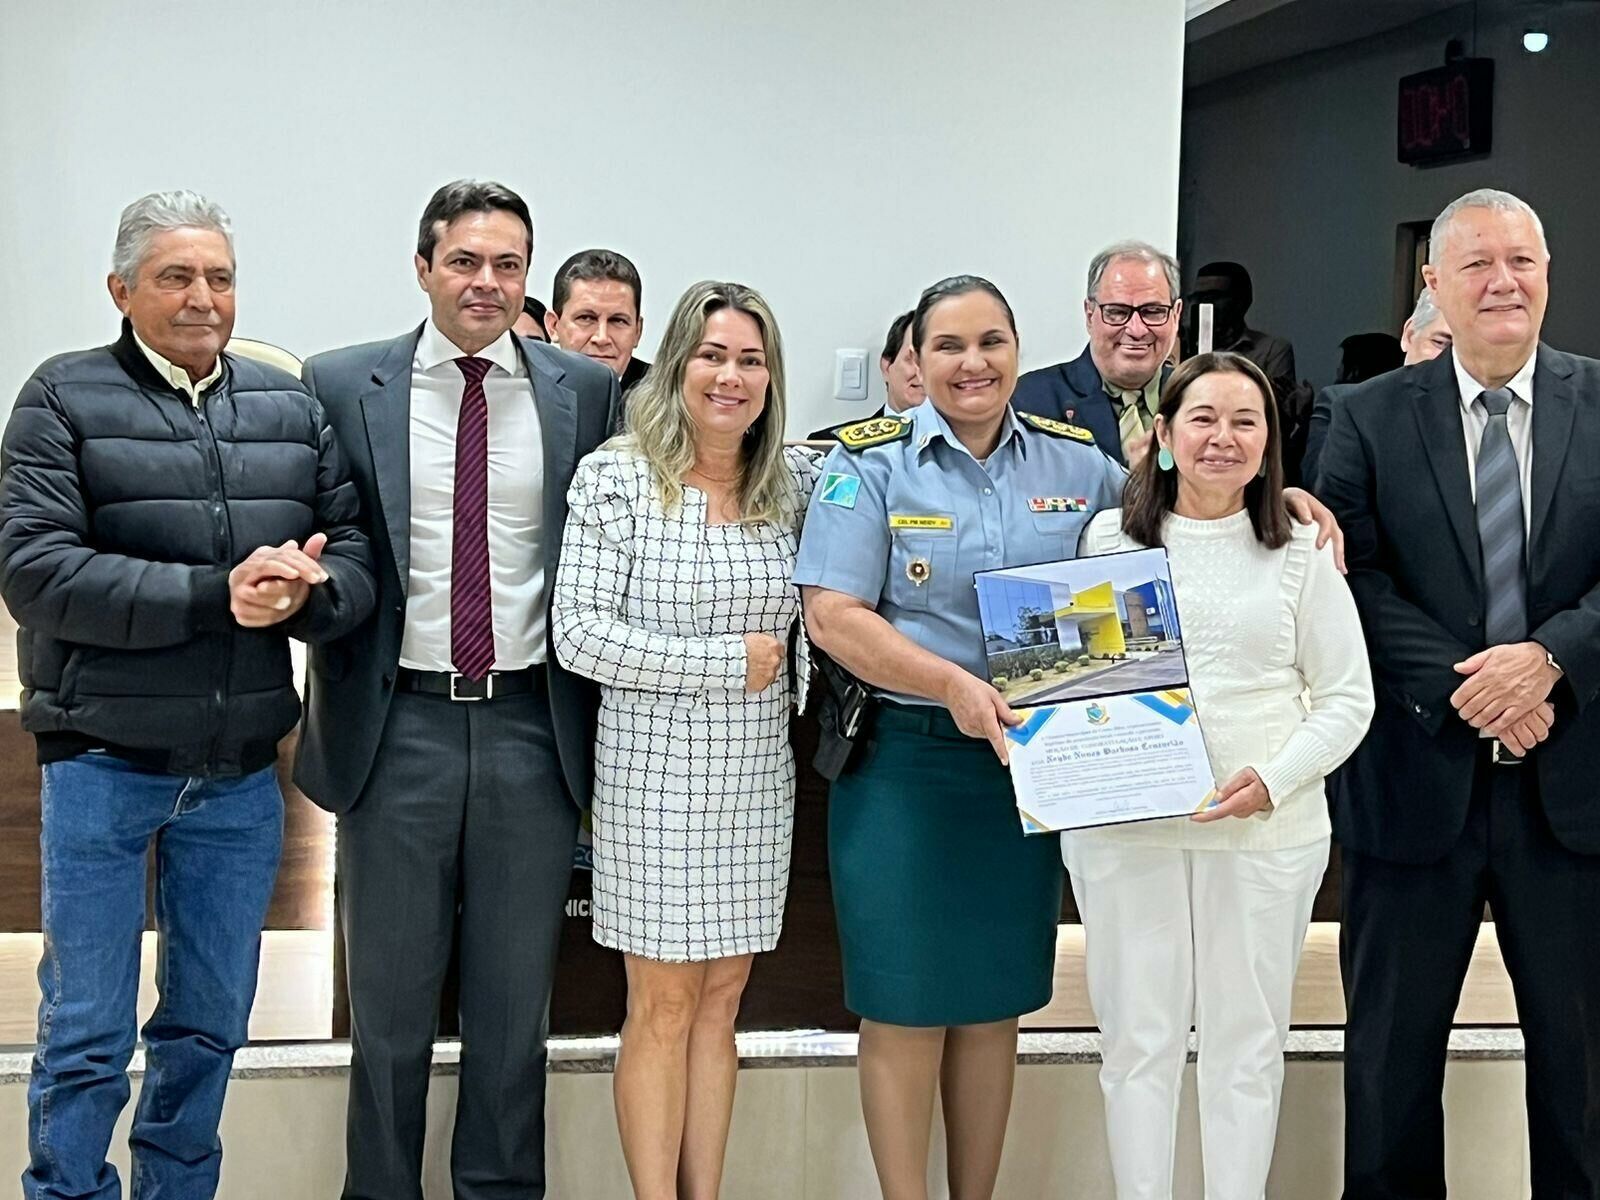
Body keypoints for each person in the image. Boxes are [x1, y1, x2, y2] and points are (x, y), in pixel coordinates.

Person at [795, 275, 1344, 1200]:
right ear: (914, 362)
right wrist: (952, 685)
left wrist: (1285, 505)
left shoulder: (1076, 464)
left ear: (1019, 350)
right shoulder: (870, 465)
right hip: (909, 760)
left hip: (1042, 769)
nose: (973, 364)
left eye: (993, 342)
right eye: (949, 346)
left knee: (994, 1002)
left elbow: (1175, 522)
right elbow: (833, 616)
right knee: (900, 1000)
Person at [0, 190, 374, 1200]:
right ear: (121, 291)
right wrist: (218, 597)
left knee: (208, 1028)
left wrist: (313, 592)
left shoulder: (288, 407)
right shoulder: (61, 398)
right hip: (100, 766)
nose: (203, 297)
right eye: (175, 276)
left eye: (219, 276)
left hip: (241, 778)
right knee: (86, 1033)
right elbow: (36, 572)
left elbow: (353, 561)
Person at [292, 180, 620, 1200]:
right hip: (398, 729)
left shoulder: (584, 391)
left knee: (513, 1013)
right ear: (425, 265)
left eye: (508, 265)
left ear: (530, 278)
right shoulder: (342, 385)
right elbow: (328, 544)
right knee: (387, 1017)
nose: (486, 282)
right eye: (466, 261)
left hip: (532, 726)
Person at [1319, 188, 1600, 1197]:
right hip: (1411, 786)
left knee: (1583, 1082)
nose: (1502, 281)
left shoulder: (1598, 399)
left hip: (1569, 794)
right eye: (1476, 263)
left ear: (1548, 272)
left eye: (1520, 260)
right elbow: (1346, 574)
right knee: (1390, 1074)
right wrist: (1474, 686)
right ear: (1430, 282)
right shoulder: (1362, 415)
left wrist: (1551, 659)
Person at [1065, 352, 1373, 1200]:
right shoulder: (1107, 541)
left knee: (1246, 1045)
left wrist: (1272, 779)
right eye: (1202, 418)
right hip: (1129, 837)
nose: (1223, 438)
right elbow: (1083, 689)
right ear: (1162, 435)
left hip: (1264, 836)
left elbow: (1348, 700)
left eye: (1247, 422)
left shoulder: (1303, 550)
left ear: (1271, 444)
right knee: (1138, 1045)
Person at [553, 280, 819, 1200]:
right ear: (675, 365)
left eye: (751, 360)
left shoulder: (794, 486)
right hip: (651, 780)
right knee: (661, 1006)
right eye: (712, 355)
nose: (730, 376)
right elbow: (578, 634)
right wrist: (723, 661)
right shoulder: (619, 477)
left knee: (722, 1004)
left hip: (755, 780)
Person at [1013, 240, 1181, 467]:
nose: (1137, 330)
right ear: (1090, 315)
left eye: (1153, 312)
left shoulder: (1195, 398)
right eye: (1117, 312)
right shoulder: (1030, 400)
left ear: (1176, 315)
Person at [1302, 286, 1453, 486]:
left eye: (1464, 350)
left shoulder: (1481, 414)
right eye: (1440, 343)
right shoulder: (1343, 403)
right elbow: (1320, 488)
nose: (1450, 360)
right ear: (1409, 334)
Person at [807, 308, 925, 439]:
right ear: (886, 367)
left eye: (933, 363)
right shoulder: (830, 445)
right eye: (914, 359)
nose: (923, 373)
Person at [546, 247, 651, 394]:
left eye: (618, 321)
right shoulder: (525, 395)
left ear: (637, 332)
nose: (602, 338)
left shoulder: (670, 400)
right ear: (553, 326)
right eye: (586, 318)